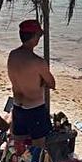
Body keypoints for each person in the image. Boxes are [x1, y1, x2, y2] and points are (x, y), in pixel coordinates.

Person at [7, 19, 55, 148]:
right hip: (34, 108)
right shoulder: (37, 62)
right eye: (39, 35)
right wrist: (40, 81)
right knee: (37, 148)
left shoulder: (12, 55)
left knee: (19, 147)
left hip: (17, 106)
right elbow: (51, 83)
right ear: (34, 37)